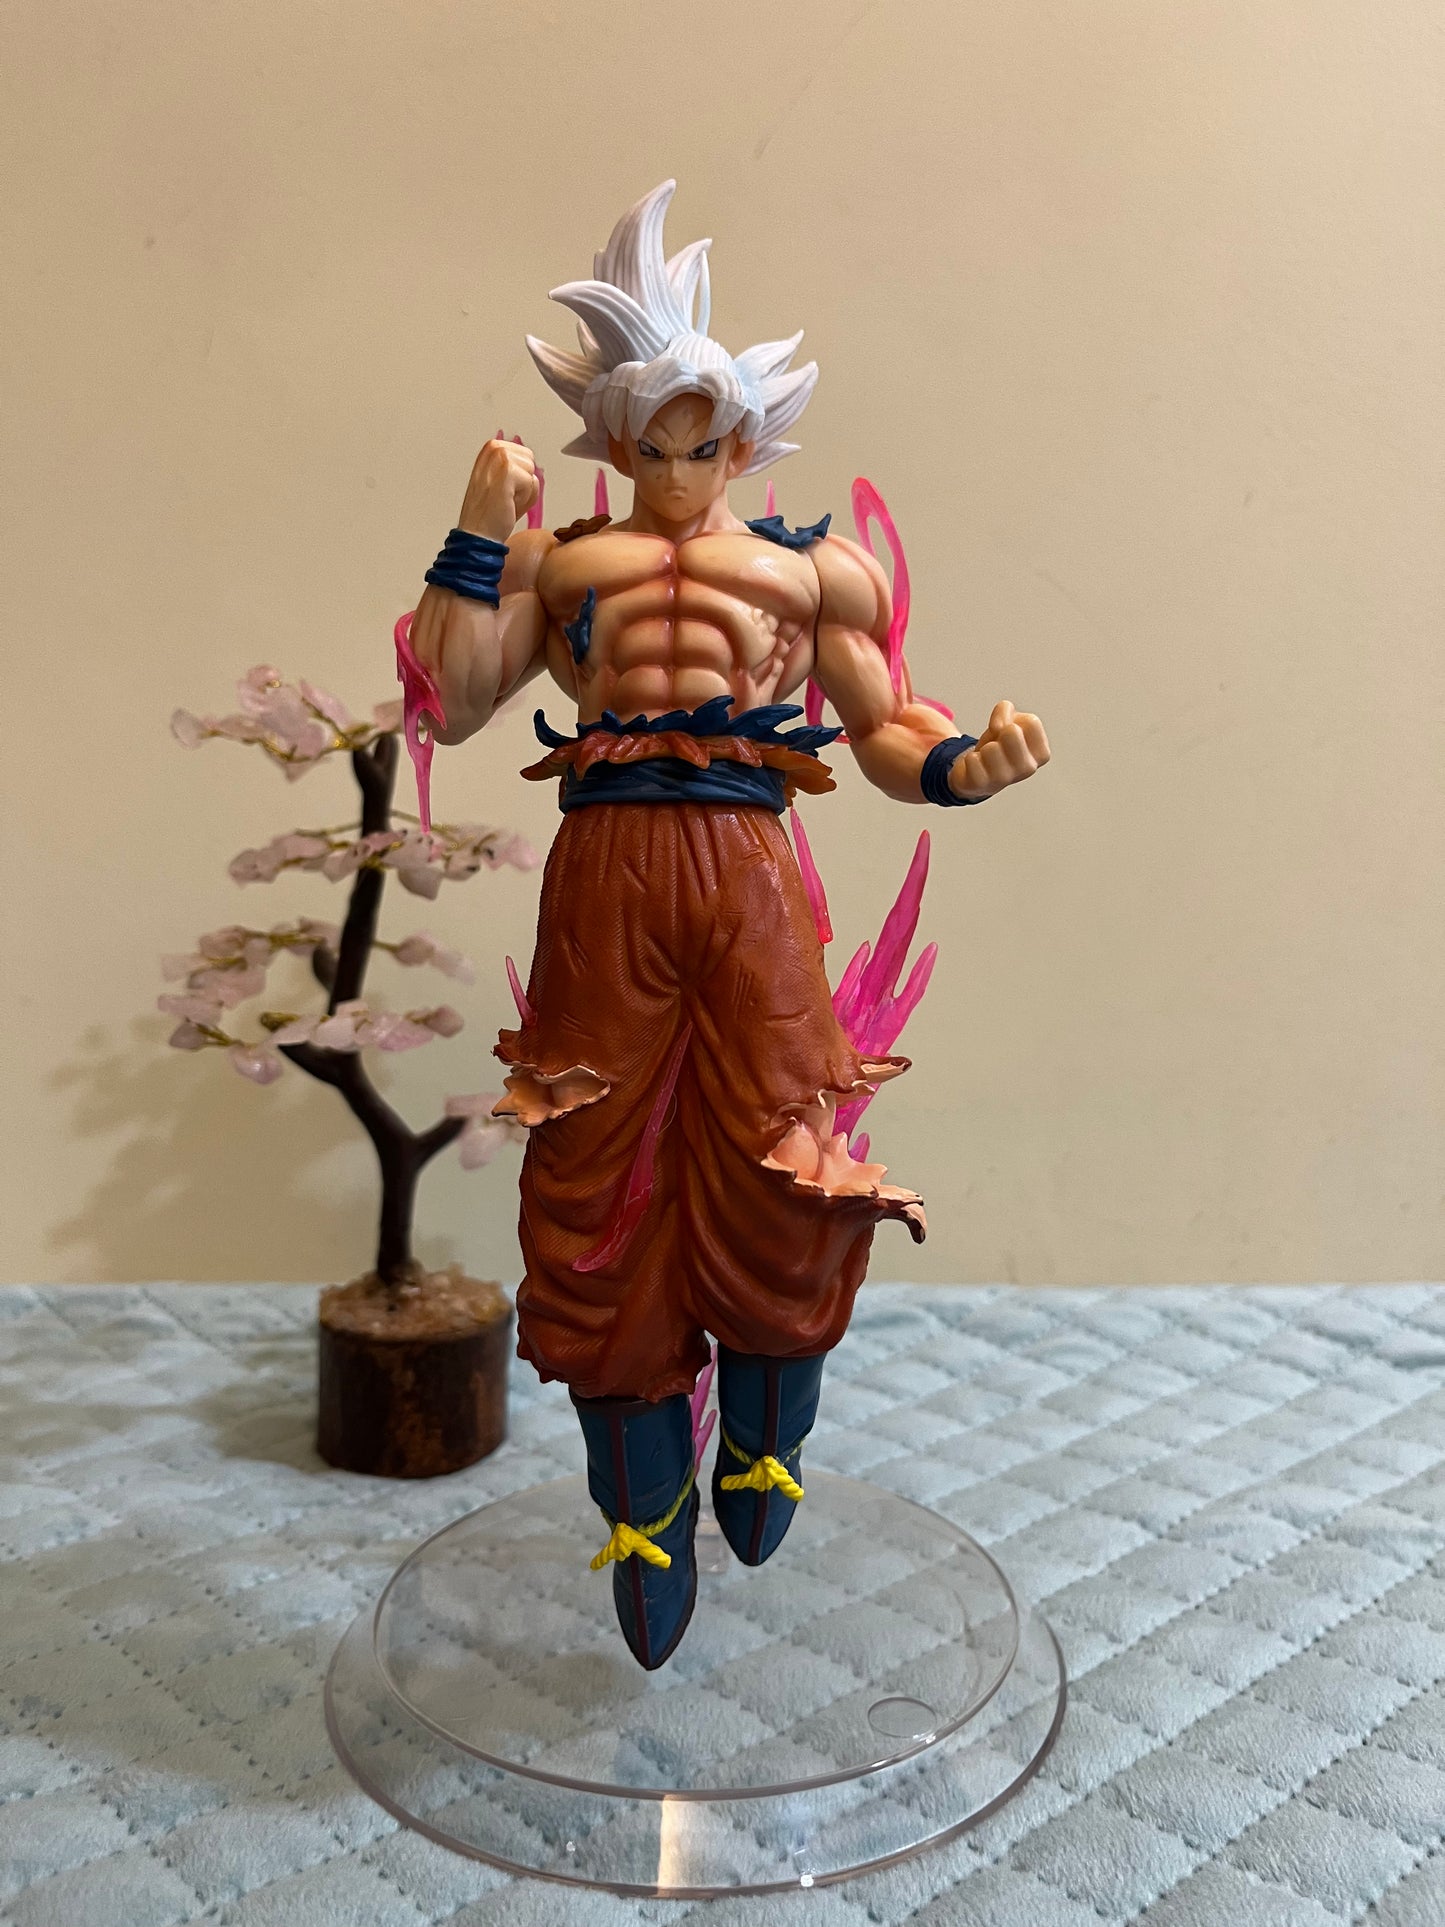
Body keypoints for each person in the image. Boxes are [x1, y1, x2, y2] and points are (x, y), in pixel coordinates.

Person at [408, 181, 1050, 1667]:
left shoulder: (814, 571)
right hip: (606, 866)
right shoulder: (564, 563)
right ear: (612, 440)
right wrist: (473, 534)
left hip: (747, 860)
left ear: (746, 439)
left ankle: (765, 1435)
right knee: (588, 1158)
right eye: (652, 443)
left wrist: (962, 767)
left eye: (704, 443)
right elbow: (455, 697)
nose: (680, 470)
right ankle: (643, 1505)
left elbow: (886, 726)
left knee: (786, 1130)